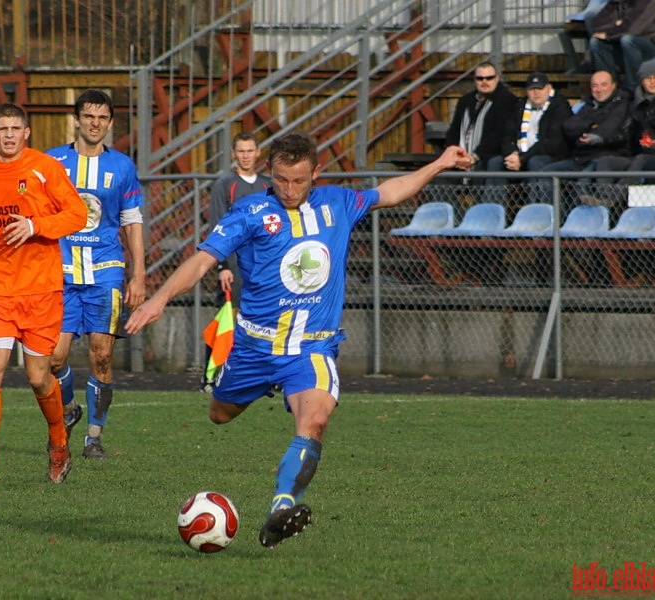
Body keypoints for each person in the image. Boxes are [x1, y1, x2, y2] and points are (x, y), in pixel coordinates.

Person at [124, 132, 472, 548]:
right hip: (255, 346)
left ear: (316, 174)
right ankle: (263, 392)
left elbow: (390, 192)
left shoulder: (337, 203)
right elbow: (203, 259)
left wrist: (438, 163)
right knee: (219, 414)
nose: (289, 190)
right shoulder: (249, 211)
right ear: (270, 172)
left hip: (312, 347)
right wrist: (160, 298)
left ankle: (281, 508)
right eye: (282, 179)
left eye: (299, 181)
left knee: (316, 420)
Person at [0, 103, 88, 488]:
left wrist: (35, 225)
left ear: (27, 133)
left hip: (41, 288)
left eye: (16, 128)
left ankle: (59, 441)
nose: (10, 135)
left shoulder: (45, 168)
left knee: (38, 376)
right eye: (3, 129)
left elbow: (77, 214)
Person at [45, 89, 146, 460]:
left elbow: (132, 220)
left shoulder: (122, 166)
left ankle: (94, 437)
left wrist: (139, 275)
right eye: (88, 116)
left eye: (102, 118)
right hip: (60, 272)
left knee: (102, 355)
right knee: (54, 358)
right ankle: (70, 409)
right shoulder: (52, 161)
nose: (94, 123)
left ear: (110, 123)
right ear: (76, 119)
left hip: (105, 270)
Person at [201, 131, 271, 391]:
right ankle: (210, 376)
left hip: (262, 267)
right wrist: (222, 266)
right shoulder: (225, 184)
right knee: (228, 319)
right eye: (241, 151)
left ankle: (263, 378)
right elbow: (217, 225)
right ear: (233, 154)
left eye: (250, 150)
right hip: (234, 266)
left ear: (258, 152)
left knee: (264, 320)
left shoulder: (267, 185)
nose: (245, 156)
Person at [538, 70, 633, 211]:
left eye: (603, 85)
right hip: (580, 157)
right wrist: (589, 125)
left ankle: (584, 226)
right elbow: (569, 127)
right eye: (594, 86)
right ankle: (557, 220)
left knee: (583, 182)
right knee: (546, 174)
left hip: (604, 156)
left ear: (613, 86)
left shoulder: (622, 105)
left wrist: (587, 132)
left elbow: (606, 131)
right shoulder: (588, 104)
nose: (598, 90)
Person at [485, 72, 573, 205]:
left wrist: (523, 158)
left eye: (540, 89)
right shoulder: (520, 106)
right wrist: (512, 153)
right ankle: (492, 212)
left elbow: (553, 142)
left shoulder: (560, 106)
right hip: (520, 156)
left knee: (536, 162)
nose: (536, 93)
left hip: (549, 156)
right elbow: (507, 134)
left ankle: (537, 212)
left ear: (549, 88)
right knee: (495, 162)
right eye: (532, 89)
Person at [445, 62, 519, 174]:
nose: (484, 82)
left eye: (489, 78)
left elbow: (498, 134)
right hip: (460, 157)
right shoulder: (465, 100)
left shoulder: (506, 100)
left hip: (488, 158)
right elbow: (454, 129)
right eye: (480, 78)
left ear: (497, 78)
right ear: (474, 80)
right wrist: (454, 154)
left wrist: (474, 157)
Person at [589, 0, 655, 90]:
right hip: (625, 46)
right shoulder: (615, 3)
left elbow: (633, 29)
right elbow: (596, 25)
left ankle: (633, 88)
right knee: (596, 42)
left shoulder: (647, 2)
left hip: (653, 47)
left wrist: (610, 33)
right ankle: (609, 87)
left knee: (628, 40)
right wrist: (615, 25)